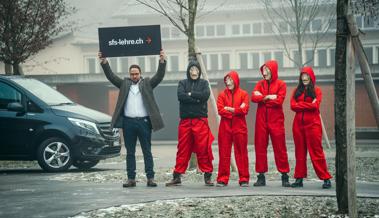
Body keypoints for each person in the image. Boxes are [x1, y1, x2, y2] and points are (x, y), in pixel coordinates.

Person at [98, 50, 166, 188]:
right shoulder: (124, 84)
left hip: (144, 122)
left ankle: (150, 178)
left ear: (140, 74)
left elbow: (159, 76)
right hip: (128, 123)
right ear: (129, 75)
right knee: (130, 152)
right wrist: (104, 62)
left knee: (147, 151)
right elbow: (111, 76)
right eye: (132, 74)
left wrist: (162, 61)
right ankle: (131, 179)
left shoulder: (147, 83)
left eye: (136, 74)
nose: (134, 76)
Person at [166, 60, 215, 186]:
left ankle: (208, 176)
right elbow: (181, 96)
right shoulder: (182, 83)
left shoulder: (204, 83)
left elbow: (205, 96)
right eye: (192, 69)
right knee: (182, 148)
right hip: (185, 121)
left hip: (200, 120)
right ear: (188, 71)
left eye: (197, 70)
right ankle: (177, 176)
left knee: (204, 148)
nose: (194, 72)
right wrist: (196, 99)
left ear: (199, 71)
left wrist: (191, 94)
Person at [290, 66, 332, 189]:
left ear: (311, 77)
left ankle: (326, 178)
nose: (304, 78)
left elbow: (315, 106)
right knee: (300, 153)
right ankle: (299, 178)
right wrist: (308, 104)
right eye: (302, 76)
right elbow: (293, 106)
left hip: (313, 125)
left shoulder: (317, 90)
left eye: (307, 76)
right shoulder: (296, 91)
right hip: (298, 125)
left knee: (316, 152)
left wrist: (300, 105)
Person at [251, 60, 290, 187]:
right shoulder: (259, 84)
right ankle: (261, 176)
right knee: (260, 147)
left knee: (280, 148)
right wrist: (268, 97)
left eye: (267, 70)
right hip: (261, 120)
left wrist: (262, 97)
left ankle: (285, 176)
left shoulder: (281, 84)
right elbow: (253, 98)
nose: (265, 72)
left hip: (276, 121)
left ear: (273, 71)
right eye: (263, 70)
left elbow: (279, 101)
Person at [216, 71, 250, 187]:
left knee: (241, 153)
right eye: (227, 80)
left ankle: (244, 178)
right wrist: (236, 111)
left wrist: (230, 109)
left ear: (235, 80)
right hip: (225, 128)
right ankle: (222, 178)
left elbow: (244, 110)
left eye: (231, 80)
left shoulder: (244, 94)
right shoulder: (222, 95)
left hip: (239, 128)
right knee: (224, 153)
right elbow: (220, 110)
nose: (228, 82)